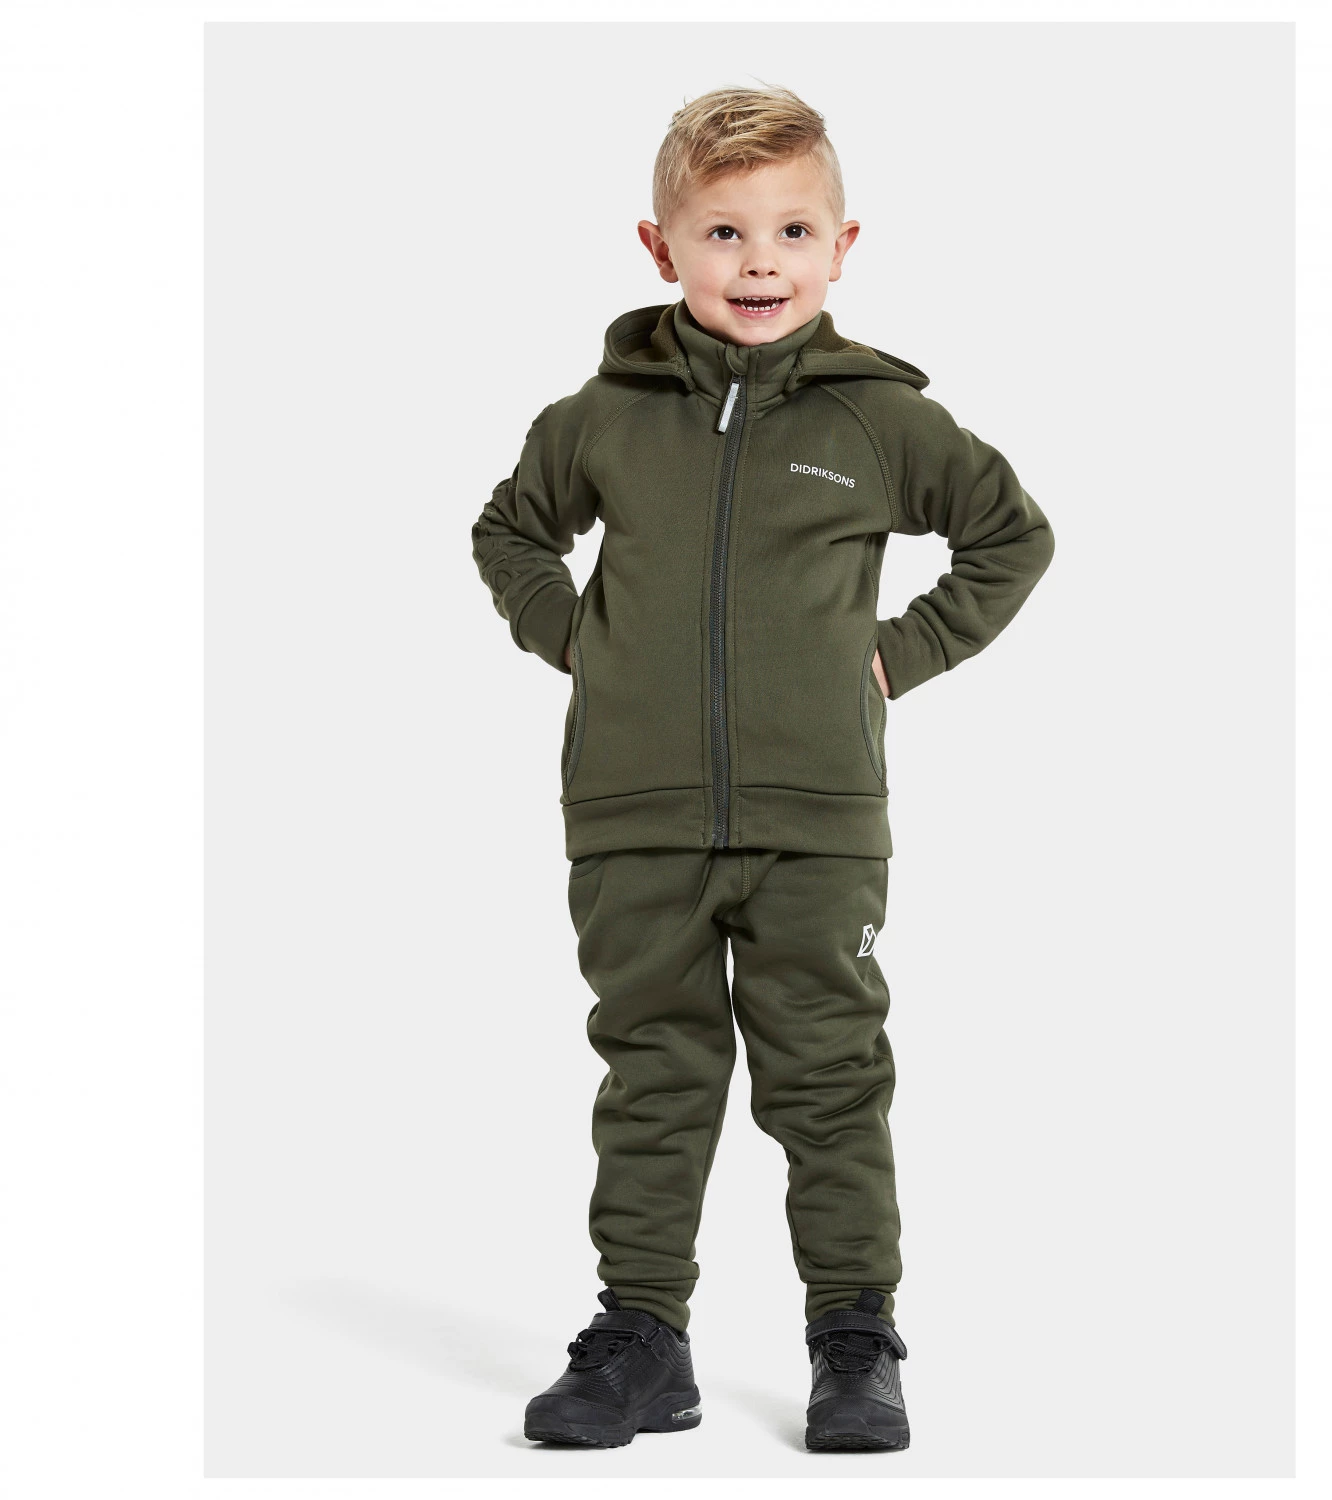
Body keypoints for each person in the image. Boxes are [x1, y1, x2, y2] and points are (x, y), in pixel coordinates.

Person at [470, 82, 1055, 1453]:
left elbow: (1010, 535)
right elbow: (510, 532)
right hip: (635, 816)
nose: (759, 261)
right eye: (724, 232)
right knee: (653, 1075)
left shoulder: (879, 421)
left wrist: (897, 656)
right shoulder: (601, 417)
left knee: (830, 1078)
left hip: (819, 823)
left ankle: (855, 1337)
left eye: (793, 230)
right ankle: (641, 1337)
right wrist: (579, 639)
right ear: (660, 245)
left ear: (842, 246)